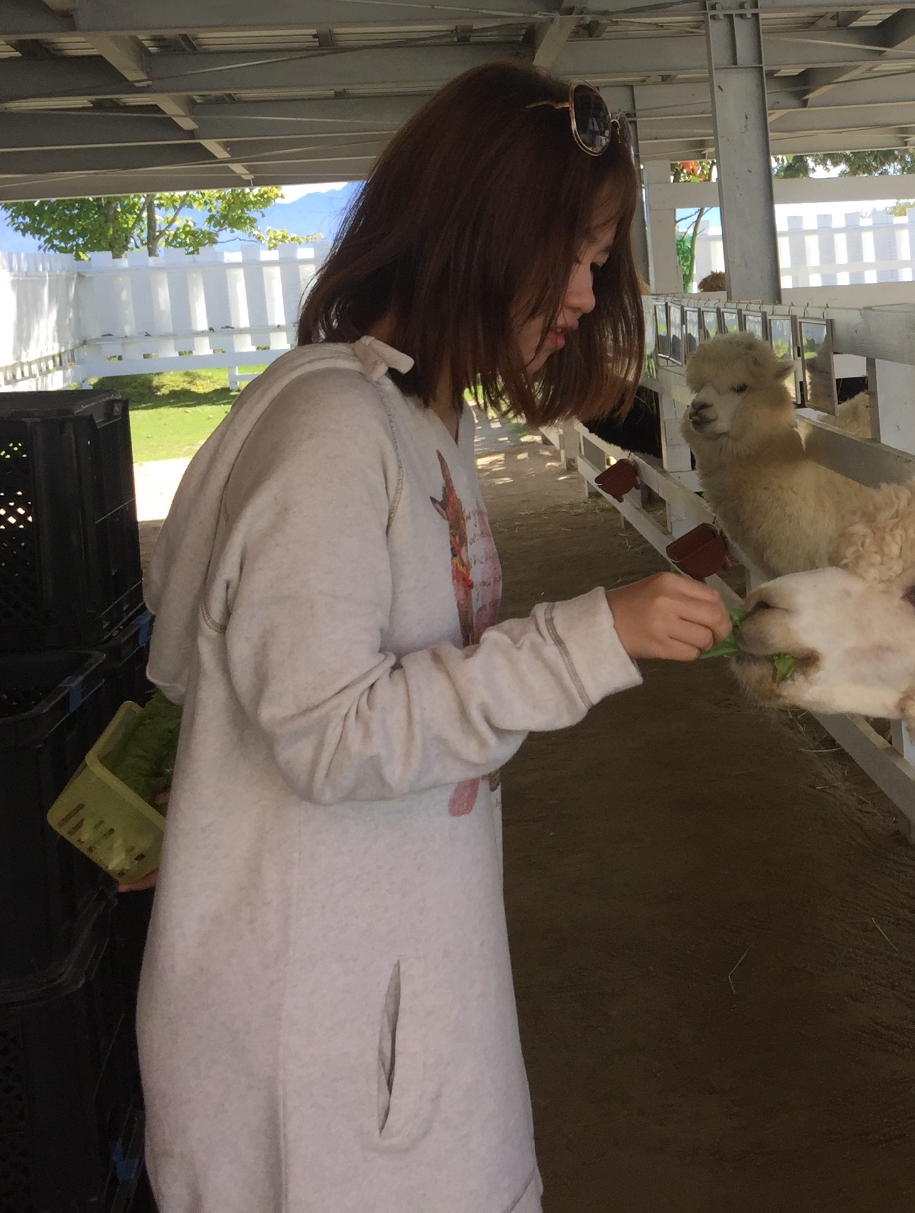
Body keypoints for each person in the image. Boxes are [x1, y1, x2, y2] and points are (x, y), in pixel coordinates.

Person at [137, 61, 731, 1213]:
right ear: (479, 228)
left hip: (384, 1013)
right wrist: (583, 639)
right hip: (320, 1059)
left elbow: (190, 657)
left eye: (597, 262)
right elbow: (324, 732)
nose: (578, 293)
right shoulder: (330, 433)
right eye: (571, 253)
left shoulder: (408, 416)